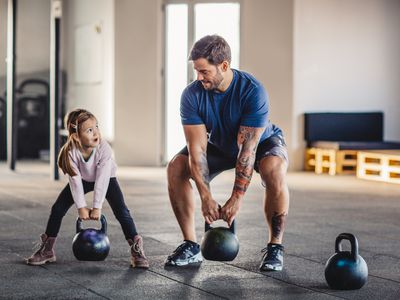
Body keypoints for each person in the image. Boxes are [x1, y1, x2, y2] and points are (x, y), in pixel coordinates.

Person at [165, 35, 289, 271]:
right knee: (176, 167)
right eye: (196, 71)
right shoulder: (191, 95)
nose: (199, 77)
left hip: (260, 143)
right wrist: (205, 196)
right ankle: (191, 245)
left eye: (204, 72)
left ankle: (275, 247)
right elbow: (197, 149)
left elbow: (247, 151)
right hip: (220, 144)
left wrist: (236, 199)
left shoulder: (252, 91)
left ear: (223, 66)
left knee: (274, 169)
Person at [26, 108, 149, 269]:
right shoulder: (70, 152)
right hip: (82, 180)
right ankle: (47, 250)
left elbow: (102, 179)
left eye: (97, 127)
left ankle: (136, 250)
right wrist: (81, 207)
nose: (96, 132)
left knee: (122, 212)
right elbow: (75, 181)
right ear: (76, 136)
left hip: (107, 179)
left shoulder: (104, 149)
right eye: (89, 130)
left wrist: (97, 207)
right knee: (57, 209)